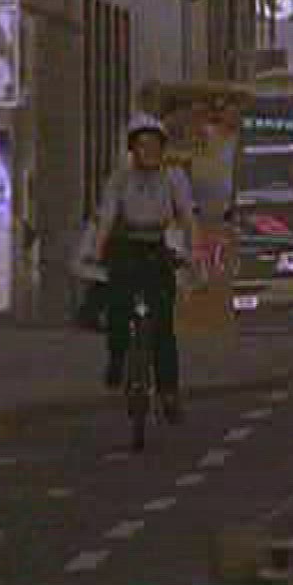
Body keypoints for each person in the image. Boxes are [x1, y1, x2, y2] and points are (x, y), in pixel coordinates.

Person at [92, 114, 197, 421]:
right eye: (142, 145)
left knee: (163, 323)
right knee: (118, 308)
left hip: (157, 248)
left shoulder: (174, 177)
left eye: (154, 145)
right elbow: (107, 217)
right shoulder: (120, 179)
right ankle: (117, 359)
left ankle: (169, 392)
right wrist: (98, 249)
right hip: (126, 246)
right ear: (132, 149)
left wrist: (192, 252)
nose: (149, 151)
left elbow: (187, 216)